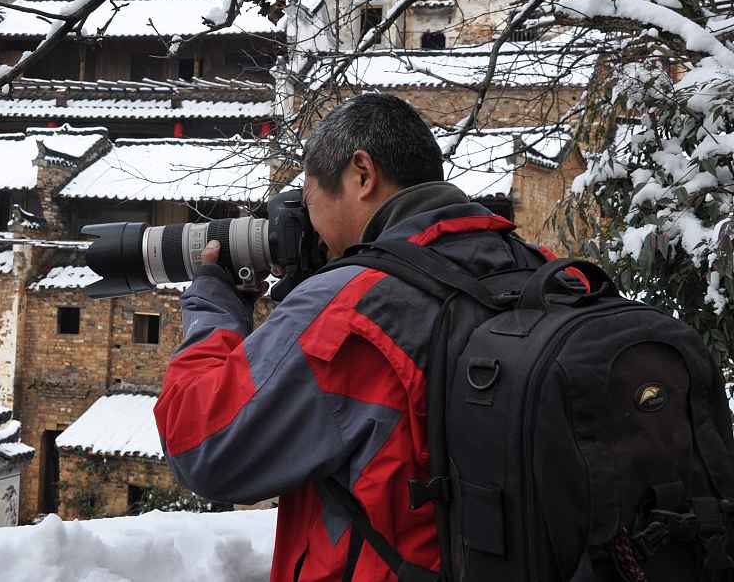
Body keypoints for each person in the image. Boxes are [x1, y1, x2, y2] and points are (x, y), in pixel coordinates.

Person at [153, 93, 542, 581]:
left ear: (362, 173)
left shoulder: (353, 306)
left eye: (311, 199)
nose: (312, 228)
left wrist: (214, 307)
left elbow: (203, 450)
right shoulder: (532, 266)